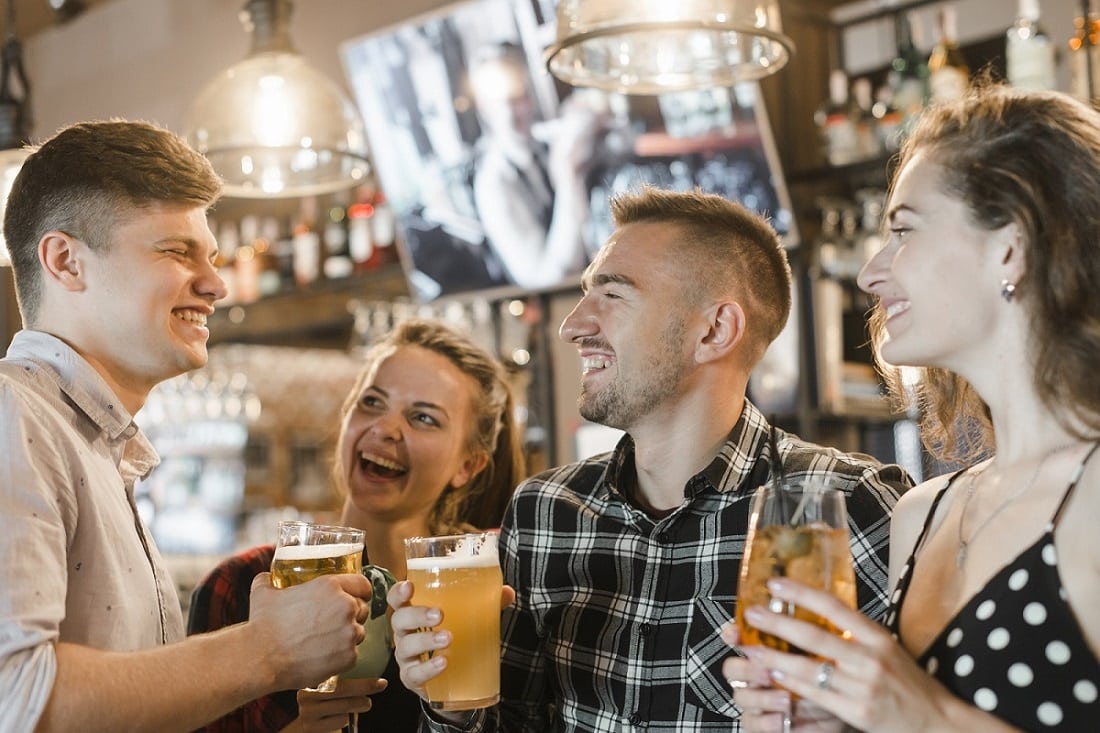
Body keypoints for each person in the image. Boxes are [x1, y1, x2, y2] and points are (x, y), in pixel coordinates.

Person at [389, 185, 912, 731]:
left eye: (612, 296)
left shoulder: (852, 508)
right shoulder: (545, 511)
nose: (572, 326)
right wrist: (449, 703)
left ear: (714, 330)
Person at [722, 83, 1100, 732]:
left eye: (902, 231)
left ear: (1010, 244)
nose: (871, 271)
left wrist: (921, 717)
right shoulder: (923, 511)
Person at [0, 120, 373, 732]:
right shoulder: (15, 416)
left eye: (214, 259)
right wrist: (268, 649)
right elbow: (18, 702)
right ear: (66, 262)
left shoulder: (89, 443)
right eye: (176, 251)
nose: (216, 285)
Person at [189, 318, 526, 733]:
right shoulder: (238, 584)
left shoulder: (491, 579)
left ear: (468, 465)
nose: (385, 428)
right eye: (371, 402)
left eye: (423, 418)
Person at [468, 41, 607, 290]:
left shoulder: (541, 141)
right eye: (502, 102)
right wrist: (567, 178)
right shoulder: (493, 185)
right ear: (483, 107)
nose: (515, 112)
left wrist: (587, 112)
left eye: (519, 96)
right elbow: (544, 280)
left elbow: (587, 123)